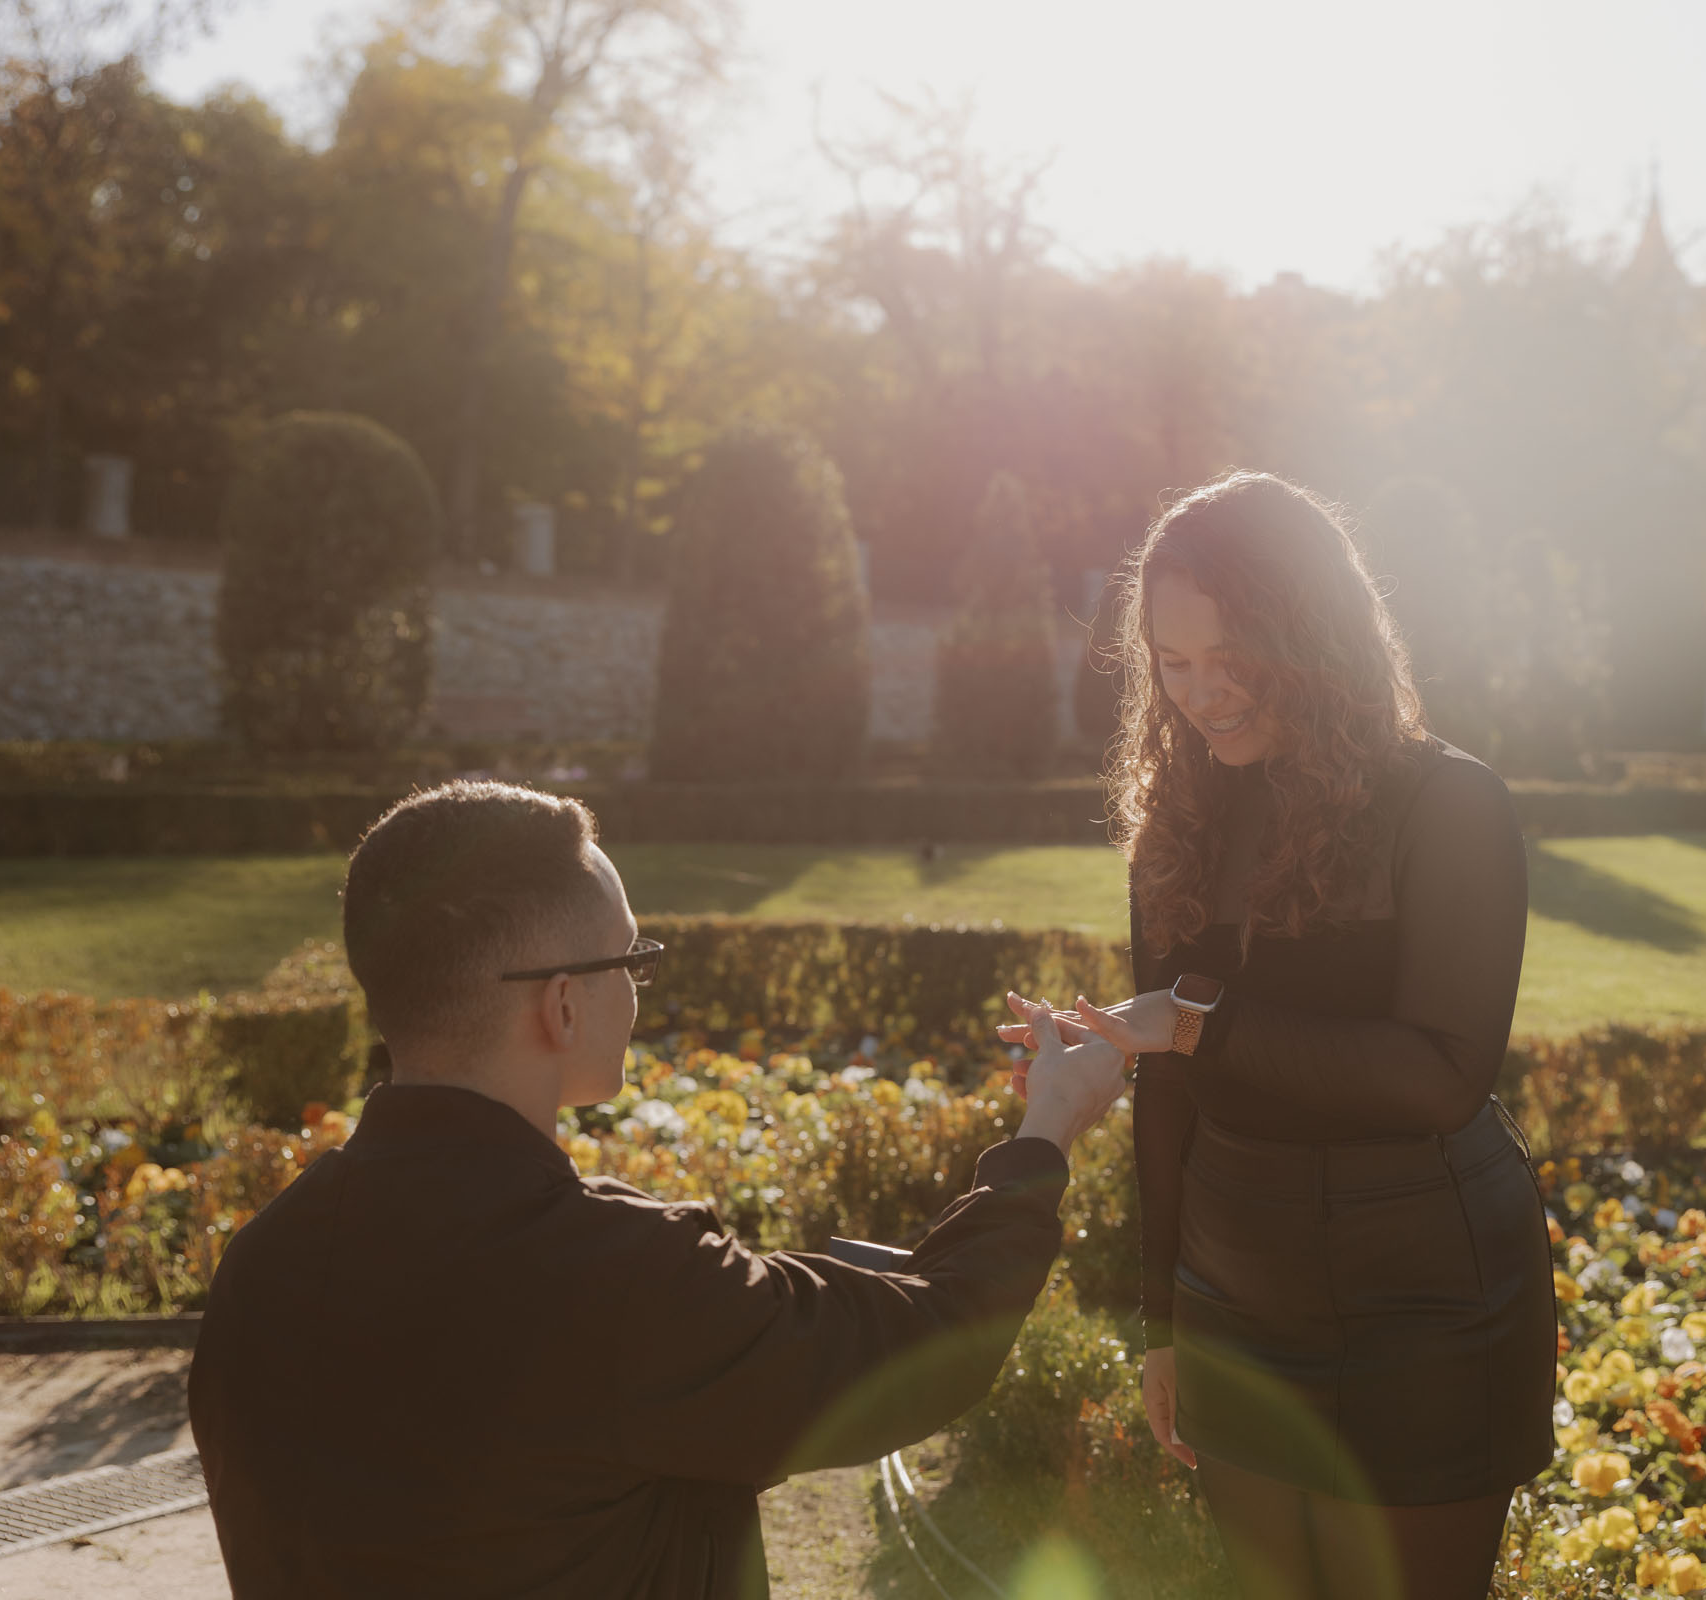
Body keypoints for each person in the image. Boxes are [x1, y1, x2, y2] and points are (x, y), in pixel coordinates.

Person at [190, 781, 1124, 1599]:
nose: (640, 989)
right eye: (631, 963)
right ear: (561, 1005)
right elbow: (930, 1345)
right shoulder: (612, 1276)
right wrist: (1044, 1135)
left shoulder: (260, 1263)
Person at [1003, 473, 1556, 1600]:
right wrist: (1162, 1319)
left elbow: (1445, 1076)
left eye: (1230, 657)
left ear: (1310, 634)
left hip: (1431, 1301)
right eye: (1172, 661)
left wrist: (1199, 1024)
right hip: (1236, 1295)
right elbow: (1169, 1089)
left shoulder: (1450, 805)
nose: (1199, 694)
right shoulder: (1179, 819)